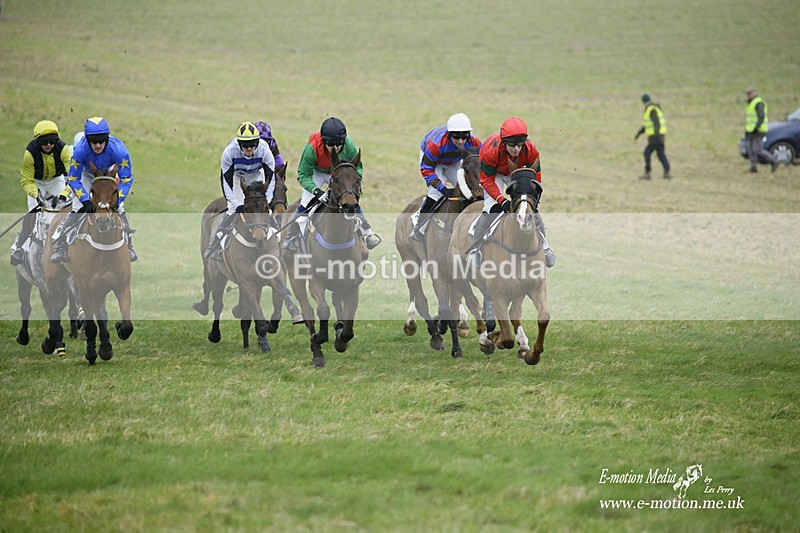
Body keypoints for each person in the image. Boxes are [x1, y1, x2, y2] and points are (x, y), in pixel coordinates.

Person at [281, 117, 381, 252]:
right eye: (331, 145)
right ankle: (291, 237)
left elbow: (358, 169)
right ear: (323, 141)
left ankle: (367, 233)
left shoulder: (348, 145)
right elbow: (303, 175)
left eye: (339, 145)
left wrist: (352, 183)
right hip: (316, 172)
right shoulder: (312, 148)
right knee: (306, 202)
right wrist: (317, 191)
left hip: (338, 173)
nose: (336, 148)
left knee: (351, 199)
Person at [467, 117, 555, 268]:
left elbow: (536, 179)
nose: (516, 149)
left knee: (530, 209)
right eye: (512, 145)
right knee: (491, 208)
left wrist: (533, 197)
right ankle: (475, 249)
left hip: (517, 173)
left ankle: (545, 248)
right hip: (494, 175)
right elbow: (487, 182)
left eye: (520, 145)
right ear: (504, 142)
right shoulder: (491, 151)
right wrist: (502, 200)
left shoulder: (531, 149)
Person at [51, 117, 138, 263]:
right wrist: (85, 201)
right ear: (87, 139)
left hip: (108, 173)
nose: (98, 145)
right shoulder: (80, 150)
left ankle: (129, 245)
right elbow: (73, 179)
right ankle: (60, 245)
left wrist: (117, 200)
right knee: (78, 207)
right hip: (86, 173)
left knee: (120, 208)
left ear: (107, 138)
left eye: (101, 141)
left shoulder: (119, 150)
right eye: (94, 141)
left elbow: (127, 179)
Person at [203, 121, 276, 261]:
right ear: (239, 143)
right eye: (245, 145)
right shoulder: (229, 152)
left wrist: (267, 199)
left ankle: (278, 240)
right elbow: (226, 182)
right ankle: (216, 245)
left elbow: (271, 179)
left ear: (257, 142)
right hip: (237, 176)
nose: (249, 148)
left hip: (256, 174)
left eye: (252, 144)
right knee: (231, 209)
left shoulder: (265, 151)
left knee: (265, 209)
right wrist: (236, 204)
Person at [410, 113, 482, 241]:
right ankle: (419, 226)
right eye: (456, 136)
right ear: (449, 134)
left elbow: (482, 159)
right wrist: (442, 188)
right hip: (433, 162)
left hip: (453, 161)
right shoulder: (436, 144)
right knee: (435, 194)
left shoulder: (474, 142)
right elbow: (426, 169)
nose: (461, 141)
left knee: (468, 191)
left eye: (464, 136)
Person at [10, 120, 73, 266]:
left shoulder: (63, 149)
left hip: (56, 180)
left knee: (62, 211)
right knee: (33, 213)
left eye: (52, 141)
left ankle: (61, 246)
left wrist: (64, 193)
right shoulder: (30, 153)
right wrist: (36, 195)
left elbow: (73, 176)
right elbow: (26, 180)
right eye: (45, 142)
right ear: (38, 141)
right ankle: (19, 247)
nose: (49, 145)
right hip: (36, 182)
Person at [634, 93, 671, 179]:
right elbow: (648, 125)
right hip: (661, 136)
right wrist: (639, 133)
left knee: (647, 153)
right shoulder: (655, 108)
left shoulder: (651, 109)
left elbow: (656, 122)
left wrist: (655, 135)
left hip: (655, 137)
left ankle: (647, 173)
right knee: (661, 154)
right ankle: (667, 172)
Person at [744, 88, 778, 173]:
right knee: (750, 150)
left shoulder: (758, 103)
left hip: (758, 130)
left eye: (750, 93)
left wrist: (756, 127)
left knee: (757, 150)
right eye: (747, 94)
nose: (748, 95)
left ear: (754, 93)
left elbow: (761, 116)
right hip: (750, 130)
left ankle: (773, 161)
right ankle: (753, 167)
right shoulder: (751, 103)